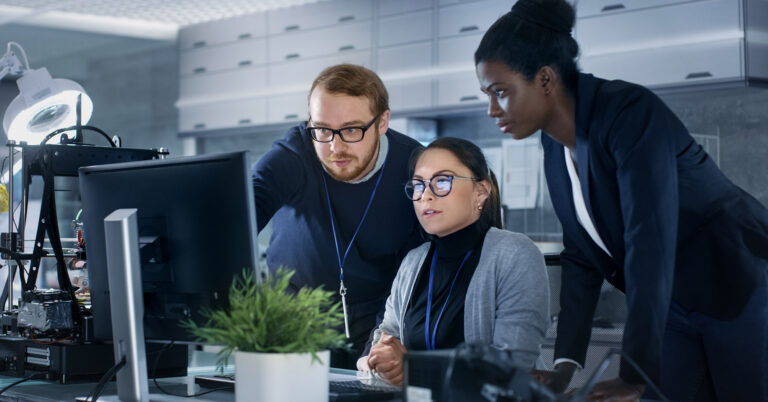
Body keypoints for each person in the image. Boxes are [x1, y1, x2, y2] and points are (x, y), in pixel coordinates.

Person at [474, 1, 768, 401]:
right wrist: (565, 367)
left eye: (500, 92)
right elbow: (580, 255)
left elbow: (650, 241)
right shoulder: (554, 144)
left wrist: (634, 374)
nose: (492, 109)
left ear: (544, 79)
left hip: (742, 284)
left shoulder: (629, 113)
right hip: (676, 304)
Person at [251, 64, 423, 369]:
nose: (335, 146)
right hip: (292, 320)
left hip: (375, 324)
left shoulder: (413, 166)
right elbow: (244, 208)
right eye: (322, 130)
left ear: (382, 122)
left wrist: (389, 336)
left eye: (352, 130)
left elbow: (421, 265)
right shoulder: (295, 153)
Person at [357, 137, 550, 386]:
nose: (425, 195)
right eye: (418, 185)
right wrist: (382, 359)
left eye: (442, 181)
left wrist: (413, 368)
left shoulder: (514, 253)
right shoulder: (413, 261)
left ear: (480, 191)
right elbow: (386, 335)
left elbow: (510, 365)